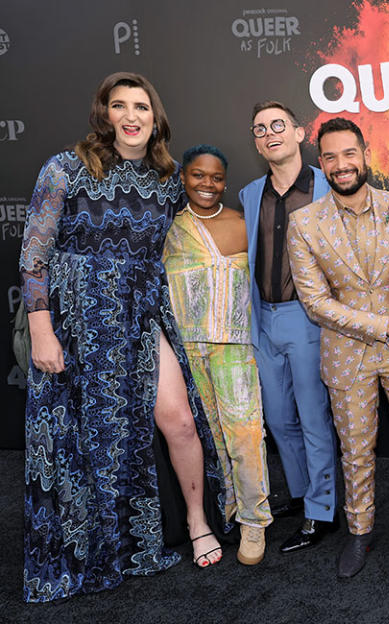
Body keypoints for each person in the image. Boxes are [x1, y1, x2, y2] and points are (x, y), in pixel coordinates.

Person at [20, 72, 226, 602]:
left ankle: (199, 521)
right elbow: (34, 257)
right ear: (104, 114)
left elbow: (209, 219)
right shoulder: (65, 168)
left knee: (178, 419)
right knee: (82, 437)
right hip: (74, 320)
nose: (132, 116)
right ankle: (92, 548)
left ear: (155, 118)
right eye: (120, 106)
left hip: (139, 312)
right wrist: (42, 332)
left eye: (141, 107)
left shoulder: (169, 178)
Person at [287, 118, 389, 578]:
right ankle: (360, 530)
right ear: (321, 164)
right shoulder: (304, 224)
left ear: (364, 154)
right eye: (330, 157)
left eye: (348, 154)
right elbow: (315, 303)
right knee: (355, 449)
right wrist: (381, 324)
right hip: (347, 352)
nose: (341, 165)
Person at [163, 144, 273, 566]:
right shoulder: (168, 229)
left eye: (215, 177)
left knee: (245, 435)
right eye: (197, 175)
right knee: (207, 437)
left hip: (234, 349)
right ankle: (223, 509)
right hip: (187, 352)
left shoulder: (243, 225)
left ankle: (253, 520)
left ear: (225, 182)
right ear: (183, 178)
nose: (206, 184)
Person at [238, 101, 338, 554]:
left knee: (315, 419)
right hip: (263, 318)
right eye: (260, 129)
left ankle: (322, 511)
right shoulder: (248, 193)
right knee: (278, 419)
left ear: (299, 133)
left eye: (278, 125)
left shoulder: (327, 186)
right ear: (256, 141)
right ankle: (302, 495)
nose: (269, 133)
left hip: (308, 318)